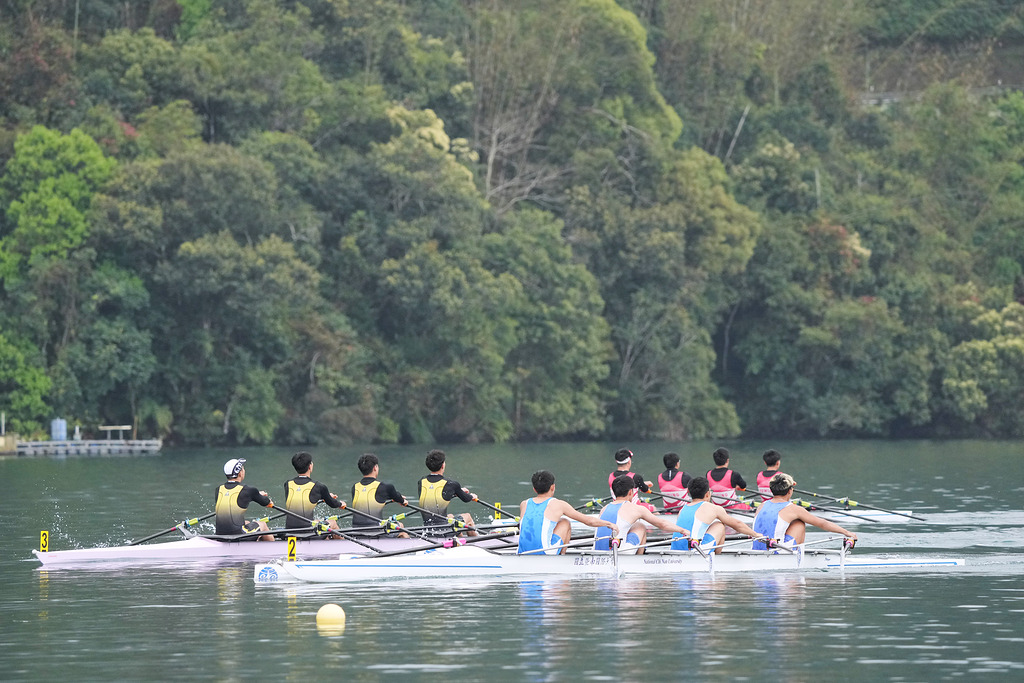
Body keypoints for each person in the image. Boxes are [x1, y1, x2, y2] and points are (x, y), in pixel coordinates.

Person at [518, 470, 618, 555]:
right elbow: (588, 521)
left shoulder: (524, 504)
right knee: (565, 522)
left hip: (522, 553)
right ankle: (562, 557)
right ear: (553, 487)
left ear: (534, 489)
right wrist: (609, 524)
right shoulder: (558, 504)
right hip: (545, 553)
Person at [751, 473, 857, 551]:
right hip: (776, 553)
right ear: (790, 491)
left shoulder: (761, 505)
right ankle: (798, 557)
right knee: (799, 522)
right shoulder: (794, 509)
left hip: (756, 551)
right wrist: (847, 532)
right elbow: (822, 523)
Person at [594, 475, 688, 554]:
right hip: (619, 553)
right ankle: (639, 560)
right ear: (630, 492)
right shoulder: (636, 509)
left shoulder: (604, 508)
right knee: (640, 526)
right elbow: (662, 524)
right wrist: (682, 530)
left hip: (596, 552)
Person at [670, 477, 758, 554]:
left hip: (675, 551)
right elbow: (737, 524)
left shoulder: (682, 510)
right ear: (707, 494)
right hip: (696, 552)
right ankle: (716, 557)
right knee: (719, 525)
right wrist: (756, 534)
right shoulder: (713, 508)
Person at [417, 449, 478, 536]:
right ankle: (477, 542)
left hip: (427, 530)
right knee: (467, 516)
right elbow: (466, 499)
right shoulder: (451, 484)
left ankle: (459, 541)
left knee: (450, 516)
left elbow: (435, 496)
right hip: (444, 531)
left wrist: (455, 492)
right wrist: (472, 496)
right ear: (443, 465)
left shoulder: (421, 482)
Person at [282, 451, 347, 532]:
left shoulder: (288, 484)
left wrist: (324, 496)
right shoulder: (318, 486)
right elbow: (333, 504)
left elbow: (302, 498)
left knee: (317, 521)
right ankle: (342, 540)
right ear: (310, 467)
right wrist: (340, 504)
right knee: (333, 523)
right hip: (308, 531)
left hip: (289, 529)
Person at [215, 458, 274, 541]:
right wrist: (258, 496)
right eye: (243, 468)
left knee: (247, 523)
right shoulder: (248, 490)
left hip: (219, 535)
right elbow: (267, 502)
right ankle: (273, 547)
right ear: (240, 473)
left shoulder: (219, 489)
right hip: (237, 536)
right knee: (263, 524)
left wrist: (255, 495)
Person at [351, 453, 409, 535]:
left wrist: (391, 497)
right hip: (376, 530)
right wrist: (402, 501)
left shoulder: (355, 487)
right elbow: (397, 497)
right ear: (375, 468)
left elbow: (371, 498)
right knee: (401, 526)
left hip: (355, 530)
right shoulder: (385, 487)